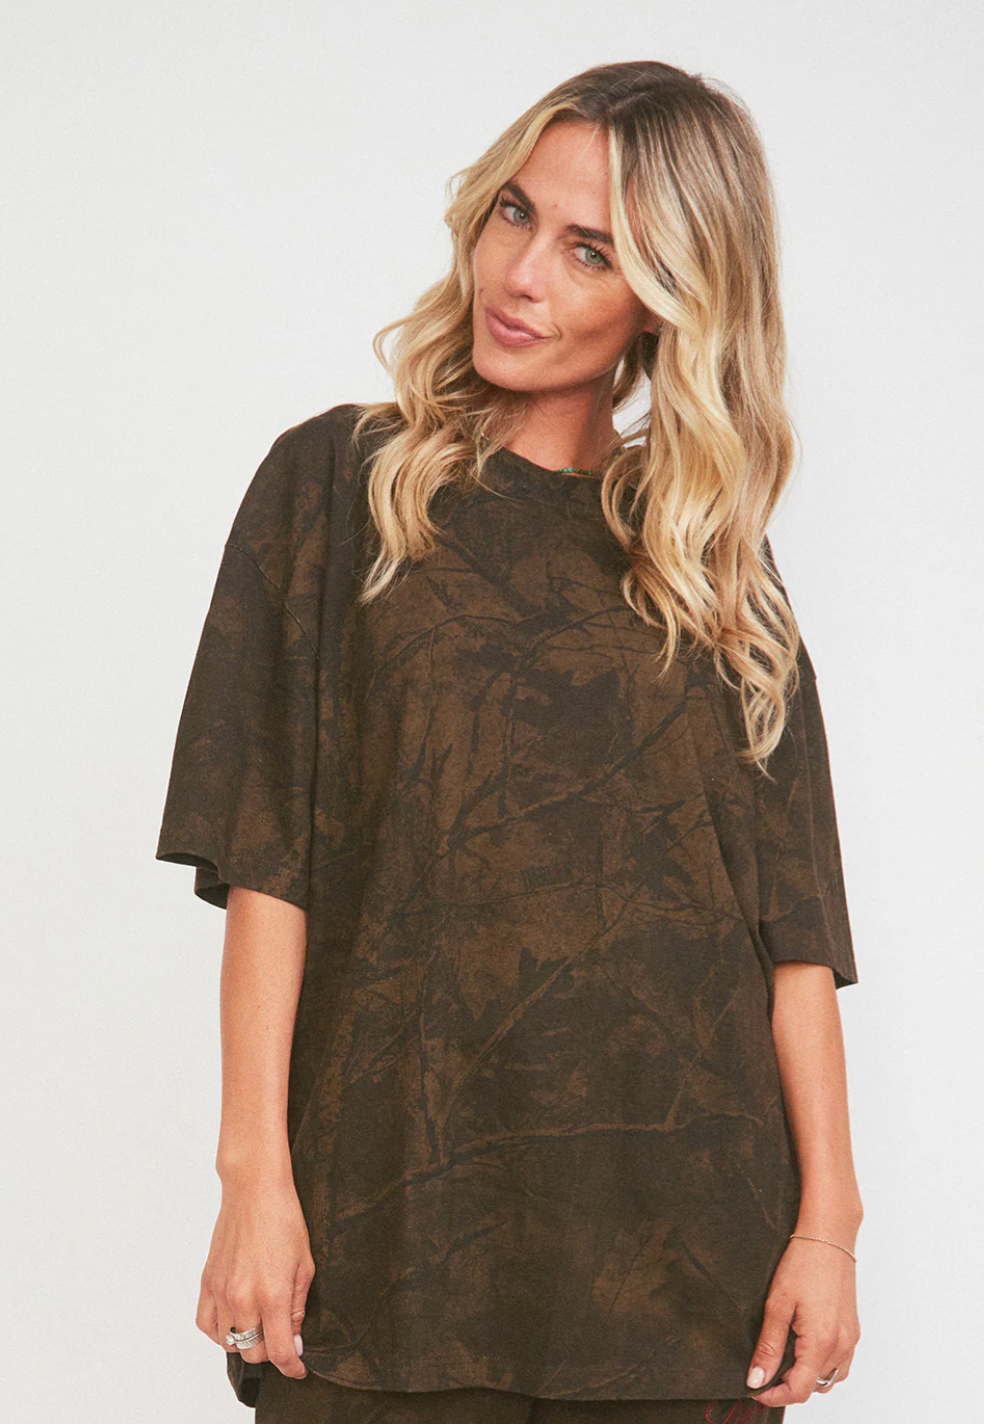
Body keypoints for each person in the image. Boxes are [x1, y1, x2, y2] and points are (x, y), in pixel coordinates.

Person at [155, 60, 863, 1424]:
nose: (522, 274)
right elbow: (269, 859)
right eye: (515, 214)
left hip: (686, 1264)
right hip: (388, 1237)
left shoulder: (715, 567)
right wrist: (253, 1178)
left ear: (670, 299)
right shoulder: (340, 486)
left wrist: (828, 1226)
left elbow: (791, 931)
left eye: (591, 250)